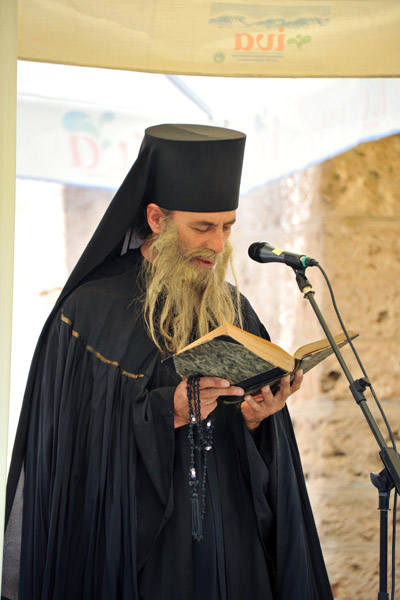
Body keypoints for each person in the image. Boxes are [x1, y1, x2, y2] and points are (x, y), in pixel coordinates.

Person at [2, 124, 333, 600]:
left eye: (227, 227)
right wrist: (166, 412)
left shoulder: (233, 310)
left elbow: (257, 461)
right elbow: (67, 452)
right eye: (202, 227)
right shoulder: (91, 311)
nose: (218, 245)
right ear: (156, 218)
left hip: (230, 540)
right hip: (146, 557)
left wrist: (257, 419)